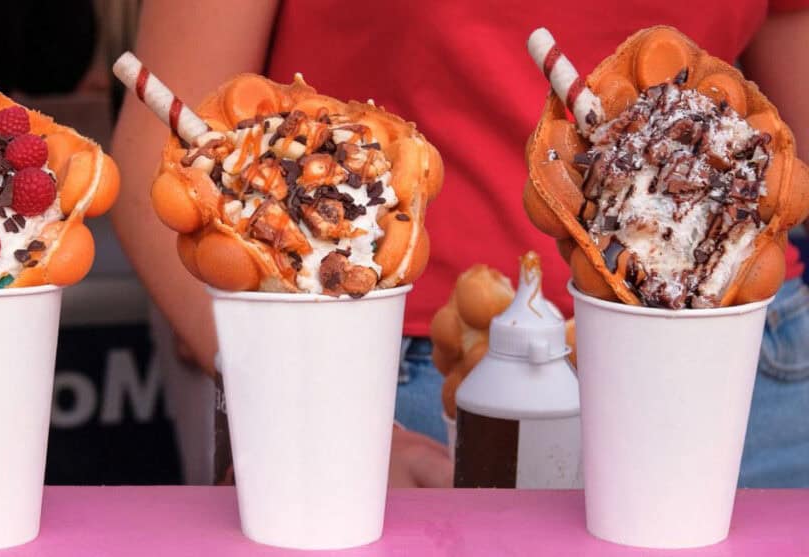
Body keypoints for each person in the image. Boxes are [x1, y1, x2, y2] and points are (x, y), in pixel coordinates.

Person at [110, 0, 809, 487]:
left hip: (746, 369)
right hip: (401, 386)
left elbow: (789, 141)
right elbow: (161, 155)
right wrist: (303, 411)